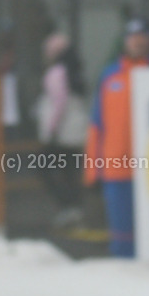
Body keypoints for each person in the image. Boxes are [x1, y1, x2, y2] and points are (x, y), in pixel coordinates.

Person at [84, 17, 149, 258]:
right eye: (132, 36)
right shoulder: (109, 75)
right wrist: (92, 168)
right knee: (122, 235)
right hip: (117, 167)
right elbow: (97, 123)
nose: (137, 41)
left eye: (142, 36)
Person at [36, 32, 88, 227]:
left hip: (61, 134)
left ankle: (68, 207)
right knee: (70, 172)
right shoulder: (76, 71)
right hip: (77, 132)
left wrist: (51, 130)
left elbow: (59, 103)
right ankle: (75, 209)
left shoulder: (56, 73)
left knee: (44, 168)